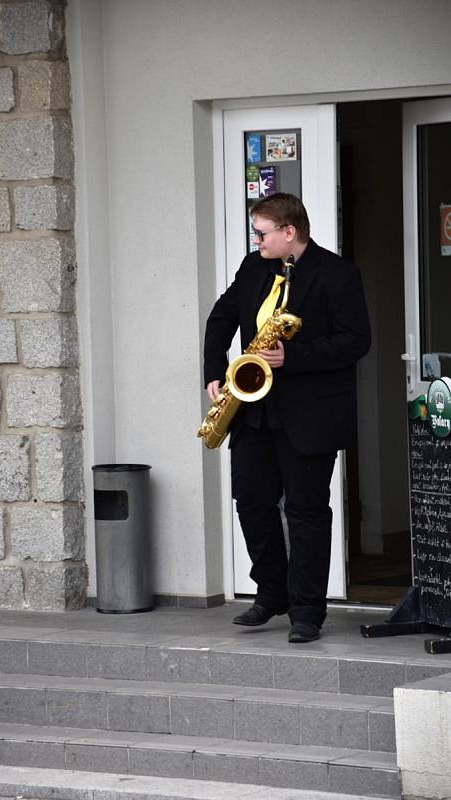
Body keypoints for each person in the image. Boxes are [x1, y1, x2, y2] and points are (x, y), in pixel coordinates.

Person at [203, 193, 371, 643]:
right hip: (253, 410)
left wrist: (290, 358)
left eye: (262, 233)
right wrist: (214, 373)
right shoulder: (252, 267)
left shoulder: (337, 273)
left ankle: (307, 610)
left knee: (306, 512)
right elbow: (220, 319)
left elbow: (356, 341)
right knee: (252, 502)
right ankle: (271, 591)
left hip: (309, 415)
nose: (256, 241)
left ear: (289, 232)